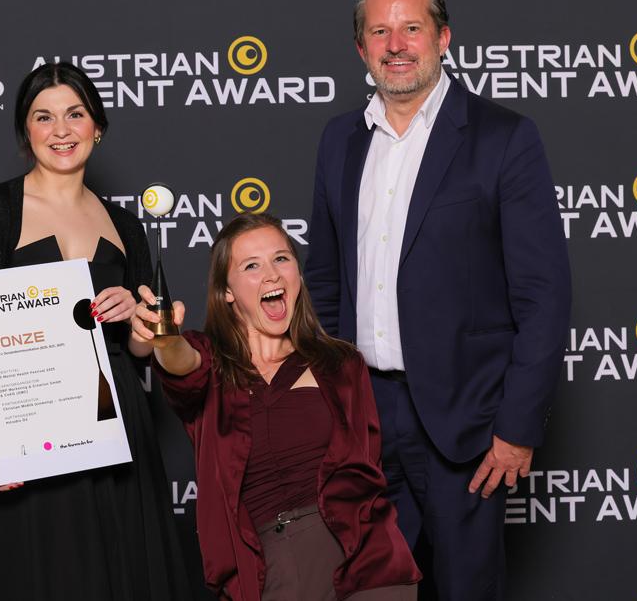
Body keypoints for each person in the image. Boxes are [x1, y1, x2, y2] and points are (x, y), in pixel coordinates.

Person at [306, 0, 571, 600]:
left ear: (443, 37)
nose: (396, 45)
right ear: (360, 48)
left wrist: (516, 427)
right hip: (364, 417)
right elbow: (325, 280)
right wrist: (326, 403)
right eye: (379, 32)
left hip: (466, 424)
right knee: (369, 591)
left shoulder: (502, 138)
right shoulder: (339, 140)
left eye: (412, 28)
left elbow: (543, 295)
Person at [0, 62, 191, 601]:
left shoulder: (126, 225)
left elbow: (142, 347)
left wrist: (139, 317)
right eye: (43, 117)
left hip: (115, 424)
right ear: (25, 131)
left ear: (97, 126)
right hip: (31, 418)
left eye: (75, 114)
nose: (61, 130)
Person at [133, 213, 421, 601]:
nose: (271, 274)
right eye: (251, 266)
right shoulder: (211, 364)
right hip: (265, 571)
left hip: (363, 562)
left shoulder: (340, 365)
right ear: (227, 291)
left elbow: (367, 467)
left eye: (281, 259)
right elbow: (182, 364)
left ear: (297, 274)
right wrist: (166, 339)